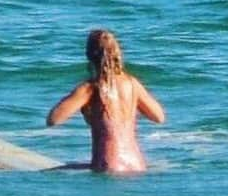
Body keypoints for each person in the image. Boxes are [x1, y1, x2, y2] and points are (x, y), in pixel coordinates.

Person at [46, 29, 166, 173]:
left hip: (109, 164)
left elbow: (53, 119)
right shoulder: (133, 84)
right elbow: (159, 117)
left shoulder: (91, 88)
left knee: (49, 172)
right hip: (136, 164)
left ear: (89, 56)